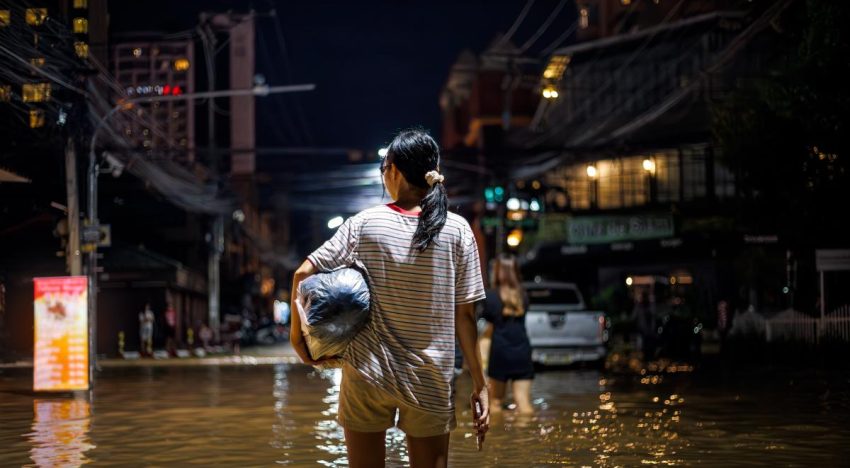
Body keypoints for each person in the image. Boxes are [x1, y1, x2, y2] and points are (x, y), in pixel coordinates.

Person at [290, 129, 489, 468]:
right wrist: (480, 384)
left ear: (394, 170)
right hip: (430, 381)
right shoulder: (458, 230)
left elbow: (301, 275)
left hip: (367, 374)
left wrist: (301, 342)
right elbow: (466, 318)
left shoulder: (364, 223)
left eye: (385, 168)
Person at [482, 254, 534, 414]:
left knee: (496, 402)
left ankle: (498, 437)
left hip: (500, 352)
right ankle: (527, 435)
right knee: (523, 402)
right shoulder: (523, 296)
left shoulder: (490, 297)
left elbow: (487, 330)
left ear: (497, 271)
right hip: (522, 351)